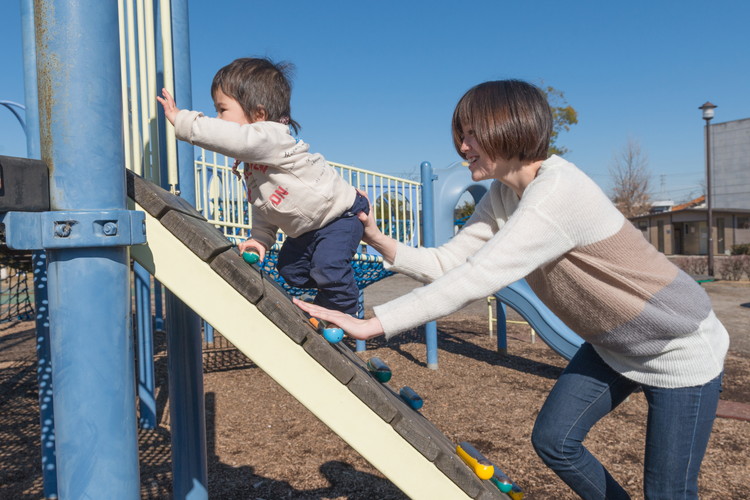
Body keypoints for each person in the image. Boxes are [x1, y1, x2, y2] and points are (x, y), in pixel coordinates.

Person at [295, 80, 729, 499]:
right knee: (556, 440)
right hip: (614, 344)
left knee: (668, 492)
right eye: (460, 135)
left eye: (471, 134)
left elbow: (475, 278)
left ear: (511, 127)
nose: (462, 147)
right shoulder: (503, 195)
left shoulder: (558, 193)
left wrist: (373, 325)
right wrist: (377, 237)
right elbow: (450, 263)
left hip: (677, 347)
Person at [158, 57, 368, 315]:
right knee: (290, 270)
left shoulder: (271, 137)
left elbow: (233, 138)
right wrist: (259, 239)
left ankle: (344, 313)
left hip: (340, 217)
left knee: (328, 267)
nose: (217, 118)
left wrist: (184, 120)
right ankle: (333, 290)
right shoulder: (254, 162)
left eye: (222, 110)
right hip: (306, 231)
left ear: (259, 114)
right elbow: (266, 205)